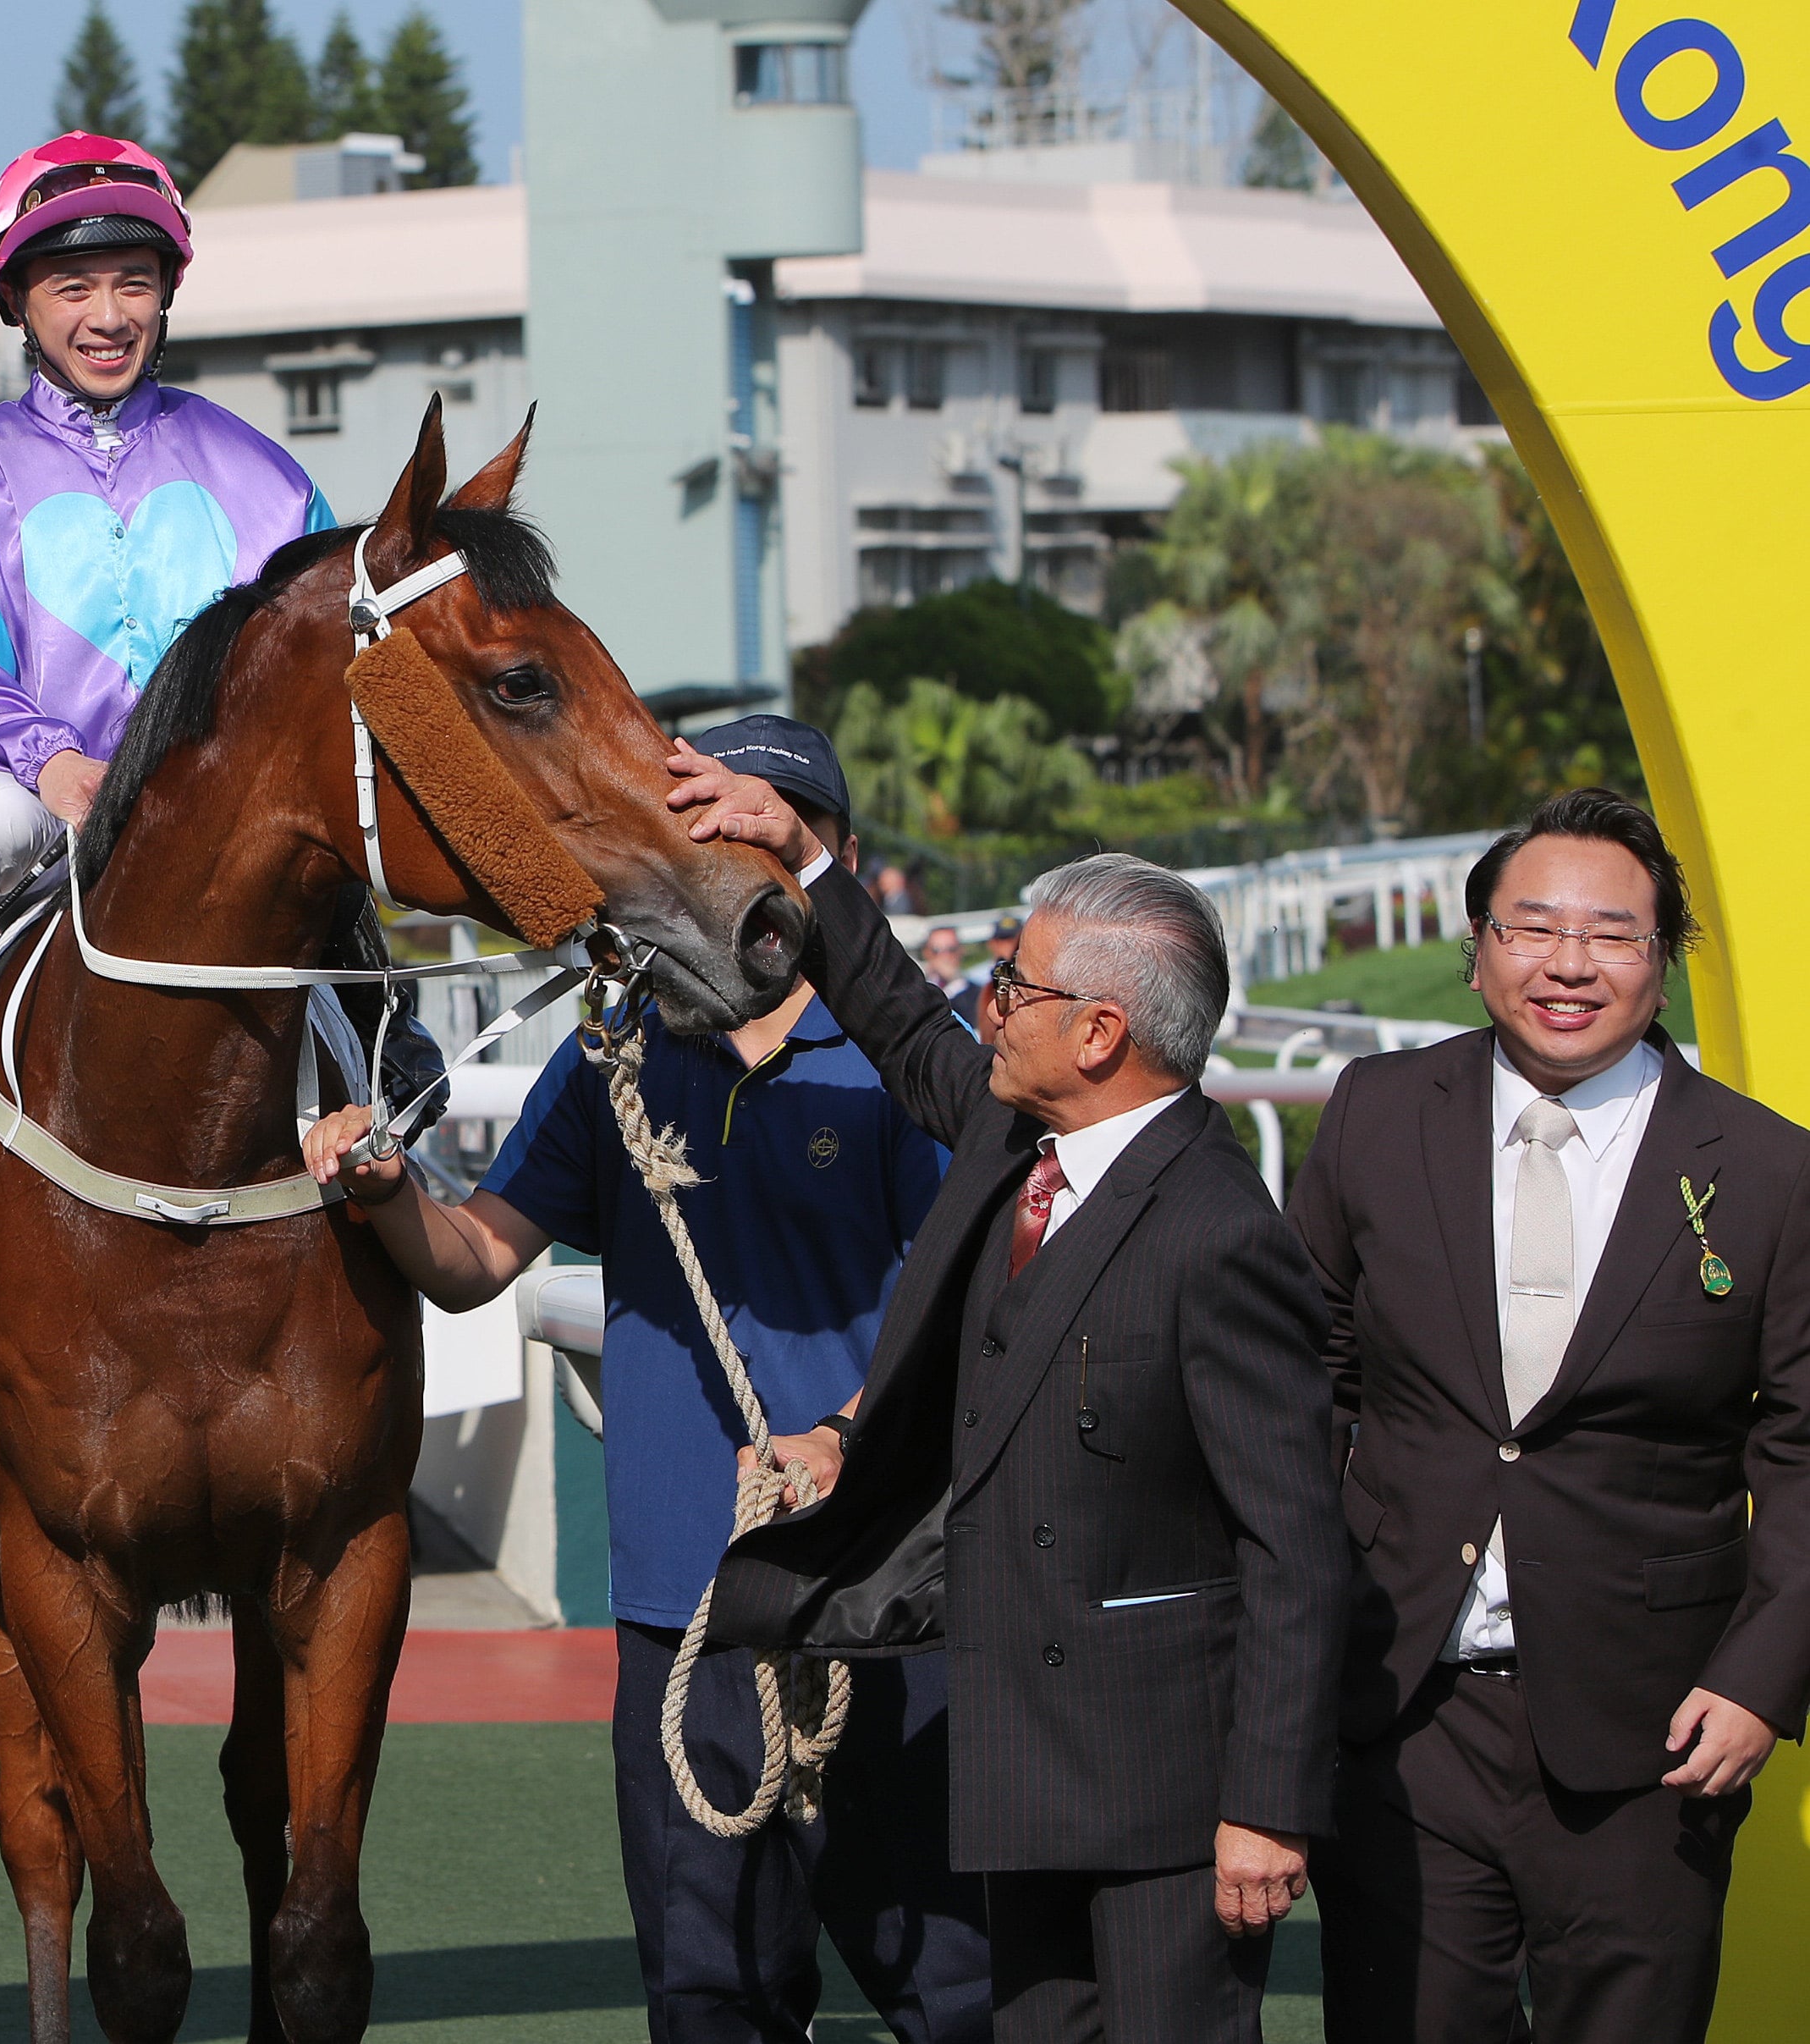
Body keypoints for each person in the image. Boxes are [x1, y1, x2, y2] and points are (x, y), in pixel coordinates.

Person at [305, 716, 992, 2044]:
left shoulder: (917, 1066)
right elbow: (474, 1258)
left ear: (828, 858)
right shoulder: (620, 1052)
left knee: (958, 1988)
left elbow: (966, 1304)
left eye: (749, 834)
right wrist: (392, 1195)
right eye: (689, 840)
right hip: (684, 1602)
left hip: (889, 1589)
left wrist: (842, 1435)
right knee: (707, 1997)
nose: (714, 869)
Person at [673, 751, 1348, 2044]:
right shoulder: (1011, 1140)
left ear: (1100, 1031)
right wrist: (801, 863)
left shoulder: (1219, 1230)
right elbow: (900, 1019)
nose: (988, 1007)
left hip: (1170, 1794)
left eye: (1015, 986)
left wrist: (1265, 1804)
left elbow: (1295, 1547)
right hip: (1026, 1768)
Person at [1288, 788, 1810, 2044]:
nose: (1567, 962)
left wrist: (1755, 1680)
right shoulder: (1371, 1110)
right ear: (1475, 948)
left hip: (1657, 1726)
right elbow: (1303, 1378)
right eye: (1531, 925)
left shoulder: (1767, 1167)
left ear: (1664, 960)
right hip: (1405, 1701)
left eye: (1613, 933)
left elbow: (1799, 1447)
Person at [0, 130, 436, 1167]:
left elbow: (326, 653)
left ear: (166, 296)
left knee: (328, 816)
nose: (107, 317)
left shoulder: (263, 471)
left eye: (133, 284)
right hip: (43, 803)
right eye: (73, 286)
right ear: (17, 301)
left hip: (224, 803)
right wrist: (53, 764)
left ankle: (386, 1032)